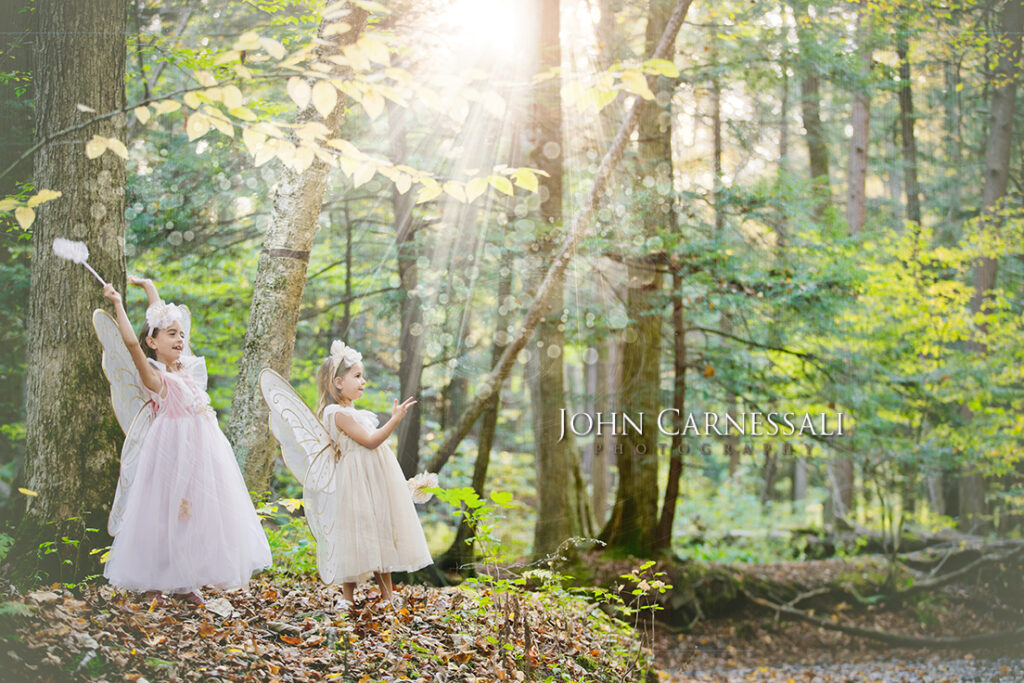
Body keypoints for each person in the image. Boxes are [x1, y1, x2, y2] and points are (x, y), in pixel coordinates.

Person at [100, 276, 271, 605]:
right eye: (171, 334)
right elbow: (132, 345)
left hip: (202, 452)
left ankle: (184, 579)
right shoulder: (156, 376)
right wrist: (118, 303)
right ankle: (155, 580)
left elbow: (159, 315)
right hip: (169, 449)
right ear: (153, 342)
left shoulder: (188, 368)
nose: (180, 338)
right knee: (162, 511)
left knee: (192, 513)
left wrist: (150, 287)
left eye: (181, 333)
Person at [314, 340, 433, 611]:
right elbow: (370, 442)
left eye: (363, 376)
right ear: (338, 382)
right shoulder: (336, 414)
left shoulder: (355, 412)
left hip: (375, 479)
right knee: (356, 532)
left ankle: (387, 595)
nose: (363, 381)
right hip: (356, 481)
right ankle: (347, 596)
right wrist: (395, 419)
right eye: (357, 376)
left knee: (380, 530)